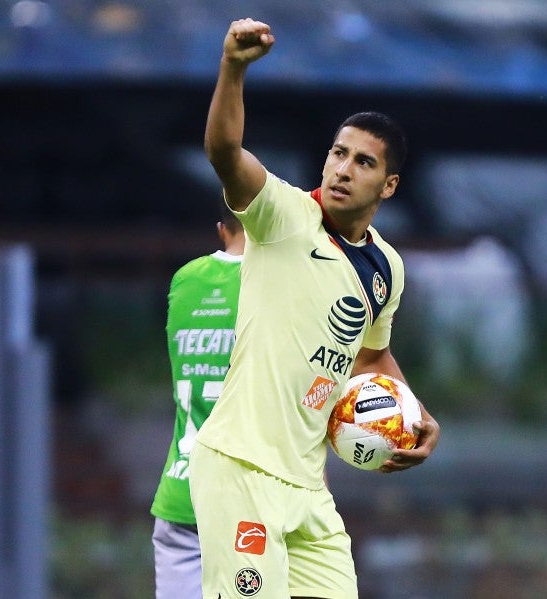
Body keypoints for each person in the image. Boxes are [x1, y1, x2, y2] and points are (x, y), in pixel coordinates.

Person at [189, 18, 441, 599]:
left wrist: (417, 418)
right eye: (337, 153)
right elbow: (224, 151)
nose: (342, 169)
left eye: (363, 162)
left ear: (389, 186)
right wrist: (233, 68)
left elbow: (371, 357)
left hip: (308, 487)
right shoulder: (280, 215)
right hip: (241, 469)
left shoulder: (387, 268)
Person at [150, 204, 245, 599]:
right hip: (246, 503)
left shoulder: (184, 280)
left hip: (179, 496)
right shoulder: (279, 288)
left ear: (222, 230)